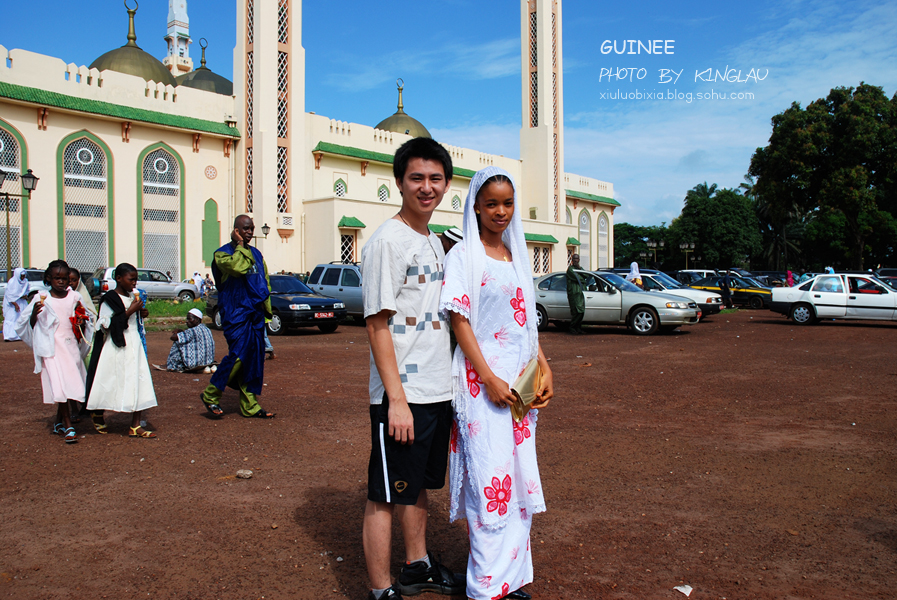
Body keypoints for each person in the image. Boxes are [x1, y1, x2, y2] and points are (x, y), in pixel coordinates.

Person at [440, 167, 553, 600]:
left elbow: (525, 322)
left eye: (507, 203)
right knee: (491, 481)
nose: (500, 212)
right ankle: (486, 588)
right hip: (481, 383)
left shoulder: (515, 254)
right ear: (476, 207)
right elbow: (460, 320)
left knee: (518, 479)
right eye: (491, 204)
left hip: (520, 385)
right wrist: (487, 377)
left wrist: (544, 366)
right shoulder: (464, 255)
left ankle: (510, 580)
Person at [360, 137, 464, 600]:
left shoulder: (433, 241)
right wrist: (396, 399)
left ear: (447, 184)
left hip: (436, 389)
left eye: (435, 179)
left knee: (418, 484)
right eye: (417, 178)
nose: (426, 187)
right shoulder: (388, 241)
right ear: (400, 182)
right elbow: (377, 324)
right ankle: (381, 589)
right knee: (384, 493)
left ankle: (416, 565)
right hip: (401, 396)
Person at [200, 215, 276, 419]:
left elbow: (264, 279)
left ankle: (250, 405)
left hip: (255, 313)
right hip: (236, 312)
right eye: (245, 229)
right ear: (236, 230)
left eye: (251, 228)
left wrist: (266, 304)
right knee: (239, 355)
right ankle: (211, 394)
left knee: (254, 358)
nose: (250, 232)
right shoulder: (222, 254)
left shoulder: (257, 254)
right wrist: (240, 245)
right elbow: (237, 267)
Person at [16, 260, 93, 444]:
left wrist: (81, 322)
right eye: (57, 278)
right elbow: (25, 325)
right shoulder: (41, 298)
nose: (61, 281)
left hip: (70, 347)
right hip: (51, 349)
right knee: (59, 387)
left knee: (69, 385)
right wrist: (35, 315)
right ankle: (68, 426)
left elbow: (85, 320)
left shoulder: (74, 297)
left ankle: (58, 422)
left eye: (64, 278)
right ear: (48, 279)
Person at [85, 263, 158, 438]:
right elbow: (107, 325)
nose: (134, 282)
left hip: (134, 341)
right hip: (117, 344)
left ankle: (135, 425)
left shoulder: (133, 296)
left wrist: (140, 312)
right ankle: (97, 412)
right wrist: (130, 311)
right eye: (131, 279)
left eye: (136, 279)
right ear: (118, 278)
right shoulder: (109, 298)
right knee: (110, 379)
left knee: (138, 378)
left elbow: (133, 319)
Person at [165, 308, 215, 372]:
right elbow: (189, 336)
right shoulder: (207, 329)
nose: (187, 321)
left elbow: (173, 337)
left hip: (194, 364)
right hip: (207, 362)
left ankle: (173, 365)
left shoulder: (192, 331)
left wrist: (177, 333)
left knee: (178, 342)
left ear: (197, 319)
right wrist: (182, 332)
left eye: (189, 319)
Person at [3, 267, 30, 341]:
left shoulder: (25, 282)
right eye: (21, 276)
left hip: (22, 302)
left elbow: (27, 291)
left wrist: (25, 296)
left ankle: (20, 335)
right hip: (12, 303)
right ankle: (9, 336)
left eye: (24, 275)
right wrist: (15, 304)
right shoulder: (12, 282)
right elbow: (9, 295)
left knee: (22, 318)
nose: (23, 277)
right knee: (12, 318)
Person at [565, 253, 586, 335]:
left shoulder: (579, 269)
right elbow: (580, 279)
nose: (575, 261)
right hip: (573, 293)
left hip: (581, 293)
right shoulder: (570, 269)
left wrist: (580, 268)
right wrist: (582, 278)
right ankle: (572, 327)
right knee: (576, 311)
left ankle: (578, 327)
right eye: (574, 259)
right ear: (572, 260)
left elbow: (586, 275)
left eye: (577, 259)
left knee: (581, 312)